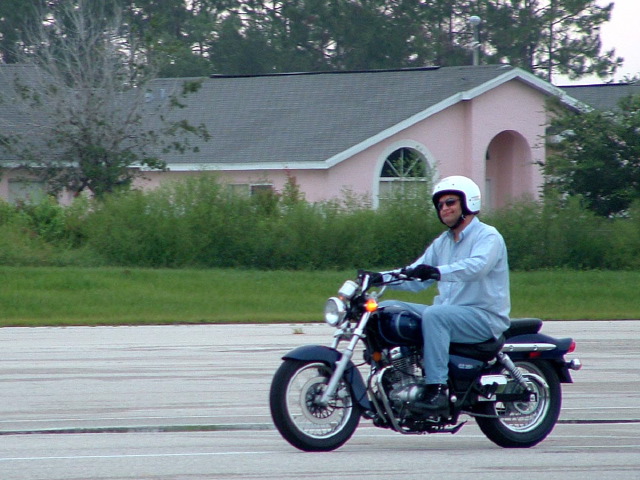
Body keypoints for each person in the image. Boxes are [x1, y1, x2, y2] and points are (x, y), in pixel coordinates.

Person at [370, 175, 510, 412]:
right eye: (440, 204)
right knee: (387, 309)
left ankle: (437, 390)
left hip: (483, 317)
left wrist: (437, 272)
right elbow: (415, 275)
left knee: (435, 315)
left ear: (468, 203)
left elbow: (476, 267)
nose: (444, 208)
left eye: (450, 202)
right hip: (449, 313)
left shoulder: (488, 236)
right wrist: (379, 277)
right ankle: (394, 377)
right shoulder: (442, 243)